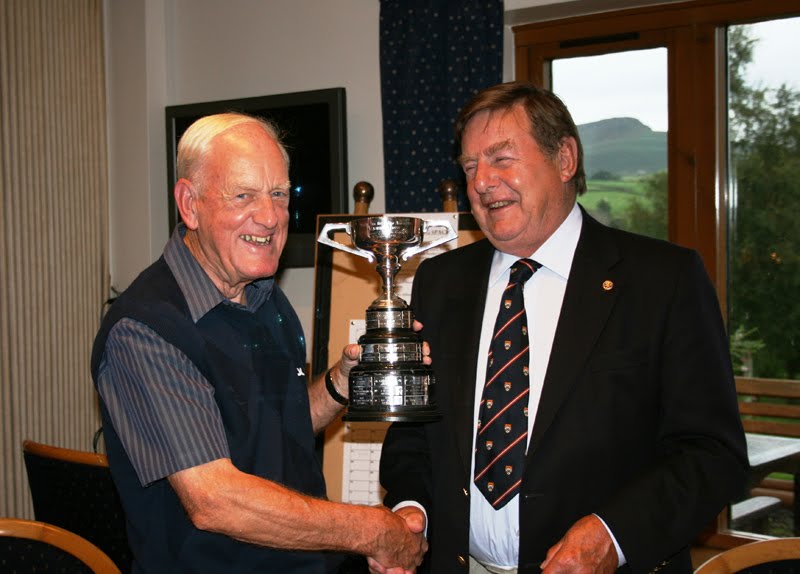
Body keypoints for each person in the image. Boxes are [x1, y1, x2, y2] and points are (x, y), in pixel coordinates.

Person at [378, 82, 749, 574]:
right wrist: (412, 510)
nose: (482, 182)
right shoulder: (440, 281)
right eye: (470, 167)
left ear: (565, 158)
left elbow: (712, 454)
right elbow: (414, 435)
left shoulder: (663, 280)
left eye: (501, 158)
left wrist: (613, 535)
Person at [91, 112, 427, 574]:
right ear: (189, 204)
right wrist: (370, 531)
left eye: (279, 195)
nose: (269, 217)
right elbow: (216, 499)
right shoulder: (146, 330)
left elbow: (272, 431)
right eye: (244, 195)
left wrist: (340, 385)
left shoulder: (266, 298)